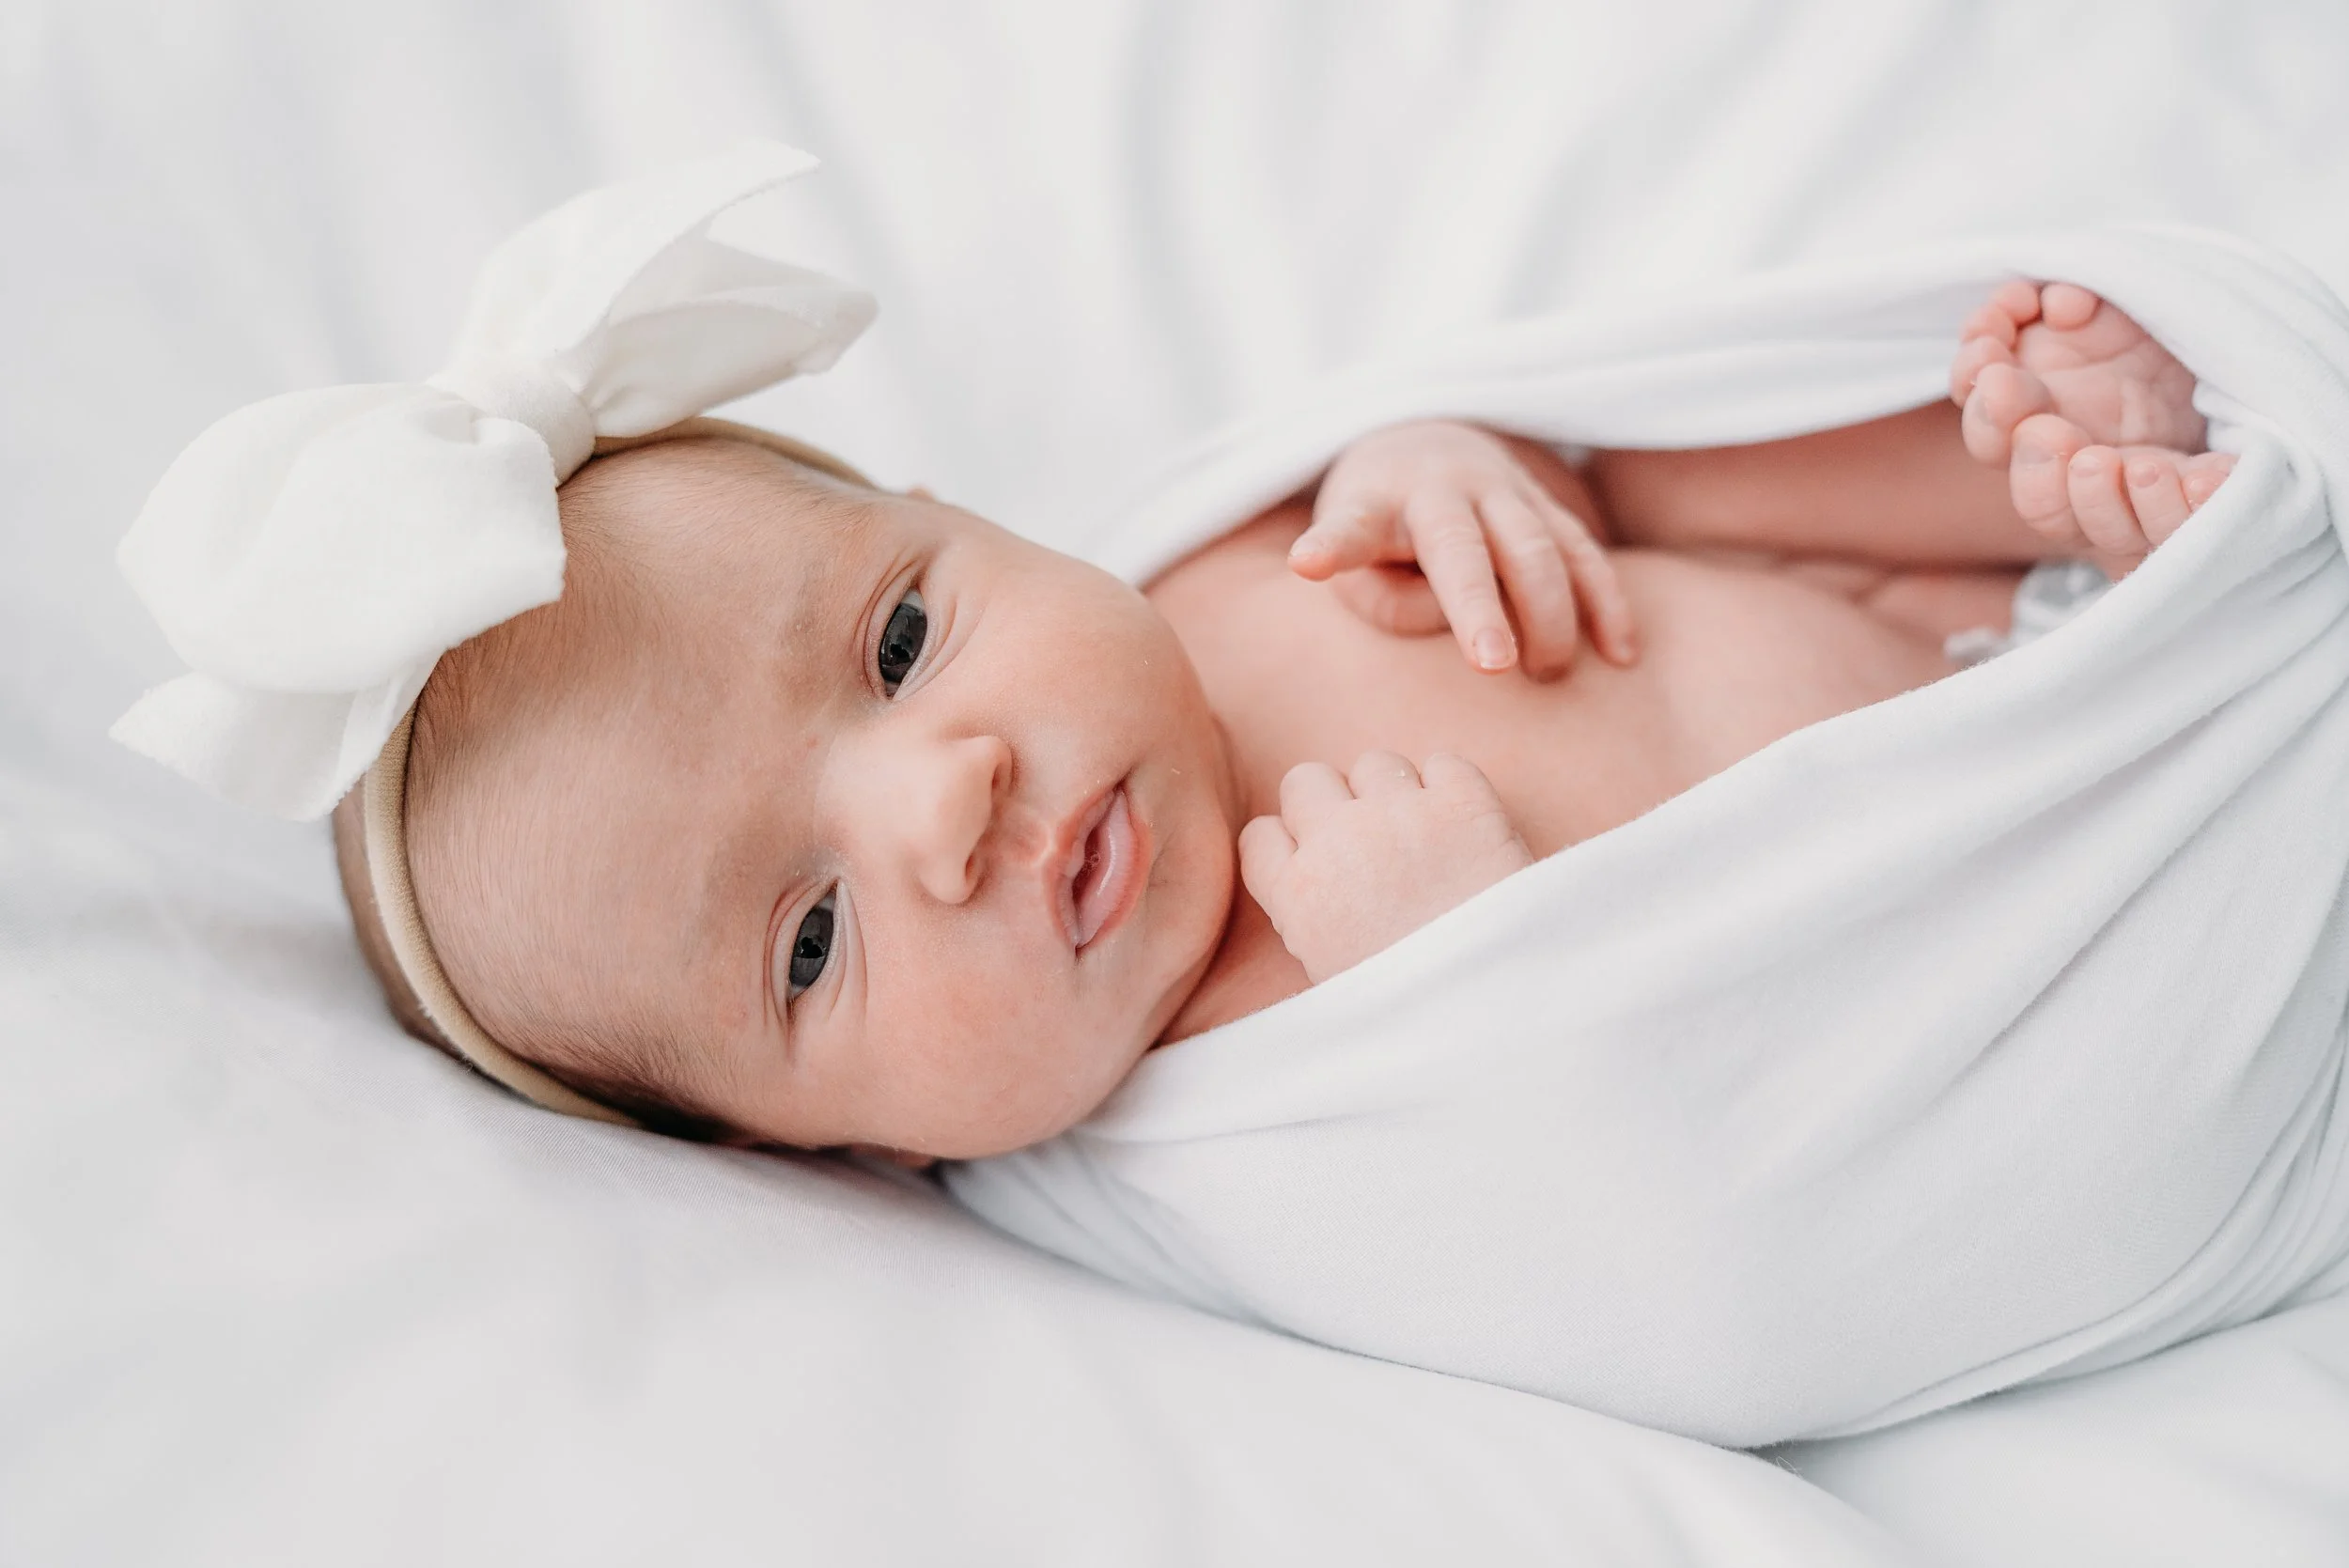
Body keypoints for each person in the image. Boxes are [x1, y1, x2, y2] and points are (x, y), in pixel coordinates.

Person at [331, 276, 2231, 1161]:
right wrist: (1478, 985)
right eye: (812, 937)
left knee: (1666, 492)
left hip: (1930, 616)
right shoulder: (1227, 1122)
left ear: (962, 522)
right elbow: (1653, 1223)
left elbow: (1552, 448)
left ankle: (2057, 484)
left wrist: (1448, 463)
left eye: (899, 645)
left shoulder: (1235, 562)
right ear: (837, 1153)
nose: (945, 799)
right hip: (2044, 870)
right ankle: (2170, 597)